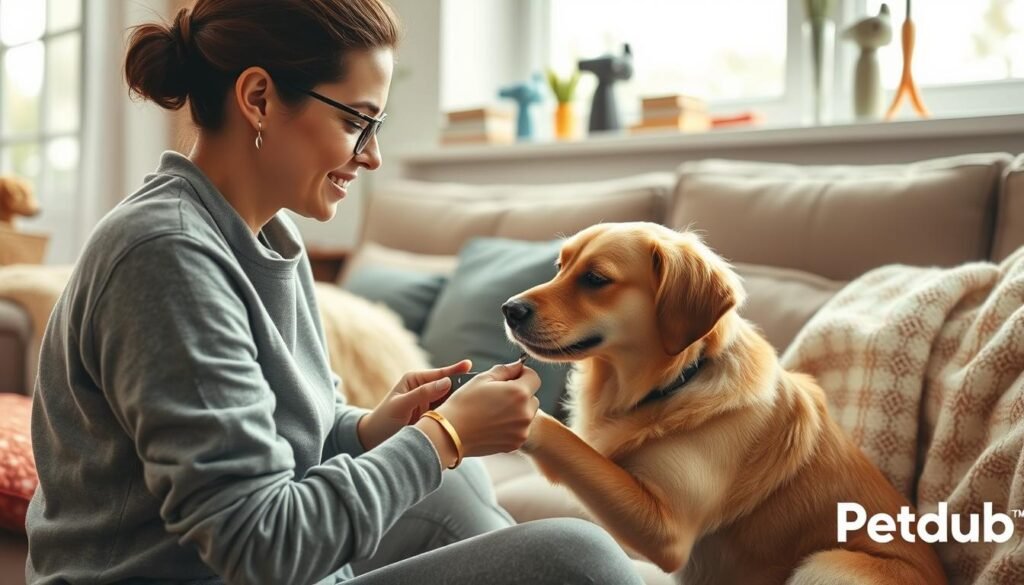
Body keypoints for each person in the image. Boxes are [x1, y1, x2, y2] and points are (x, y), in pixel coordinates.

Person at [24, 1, 644, 584]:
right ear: (260, 98)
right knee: (576, 557)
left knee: (454, 484)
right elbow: (256, 542)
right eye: (355, 121)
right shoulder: (166, 257)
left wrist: (373, 429)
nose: (371, 155)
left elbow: (280, 442)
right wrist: (443, 436)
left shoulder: (265, 234)